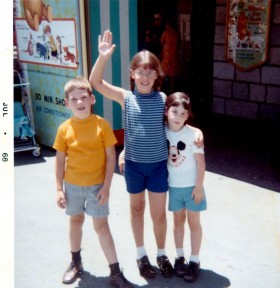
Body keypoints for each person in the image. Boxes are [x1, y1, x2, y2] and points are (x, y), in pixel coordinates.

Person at [89, 30, 174, 279]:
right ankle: (141, 255)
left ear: (157, 74)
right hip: (134, 167)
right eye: (140, 71)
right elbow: (96, 83)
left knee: (158, 214)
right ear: (132, 74)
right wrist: (103, 57)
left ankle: (161, 254)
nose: (145, 76)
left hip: (158, 165)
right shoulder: (125, 97)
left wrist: (196, 133)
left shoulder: (163, 99)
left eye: (150, 71)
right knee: (136, 209)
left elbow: (175, 127)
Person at [53, 76, 133, 288]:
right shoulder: (64, 129)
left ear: (92, 99)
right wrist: (59, 189)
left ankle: (115, 272)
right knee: (76, 221)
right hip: (72, 186)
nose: (80, 102)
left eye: (84, 97)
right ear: (67, 103)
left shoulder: (102, 125)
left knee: (101, 226)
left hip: (98, 187)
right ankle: (75, 262)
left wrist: (107, 187)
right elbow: (60, 160)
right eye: (74, 99)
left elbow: (111, 158)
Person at [164, 92, 207, 283]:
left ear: (188, 115)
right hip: (174, 187)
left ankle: (194, 259)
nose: (178, 117)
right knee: (178, 221)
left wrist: (199, 187)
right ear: (166, 111)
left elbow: (201, 163)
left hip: (192, 188)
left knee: (194, 223)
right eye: (174, 111)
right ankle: (179, 256)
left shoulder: (193, 135)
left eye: (183, 113)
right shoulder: (161, 130)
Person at [160, 18, 180, 93]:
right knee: (173, 72)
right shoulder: (176, 33)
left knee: (163, 70)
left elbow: (162, 42)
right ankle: (171, 88)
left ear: (168, 25)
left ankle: (160, 87)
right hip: (174, 54)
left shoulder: (165, 32)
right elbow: (178, 43)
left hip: (167, 54)